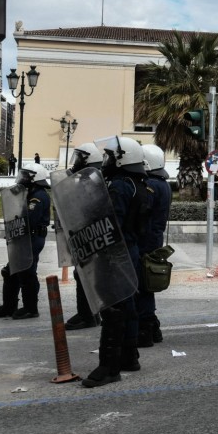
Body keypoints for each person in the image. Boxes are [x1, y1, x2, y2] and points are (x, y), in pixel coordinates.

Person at [81, 135, 153, 388]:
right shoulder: (140, 184)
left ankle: (109, 367)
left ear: (123, 159)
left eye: (110, 156)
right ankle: (128, 357)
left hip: (115, 251)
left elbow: (110, 221)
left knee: (113, 307)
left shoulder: (120, 186)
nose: (106, 160)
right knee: (128, 305)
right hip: (130, 249)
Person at [0, 162, 52, 319]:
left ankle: (31, 308)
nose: (22, 178)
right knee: (11, 271)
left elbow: (30, 219)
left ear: (34, 178)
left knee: (26, 271)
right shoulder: (28, 193)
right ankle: (9, 306)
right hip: (23, 236)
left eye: (25, 175)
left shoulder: (38, 196)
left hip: (33, 237)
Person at [64, 142, 105, 331]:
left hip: (93, 232)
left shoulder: (93, 178)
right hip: (85, 231)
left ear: (88, 158)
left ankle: (88, 315)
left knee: (86, 274)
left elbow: (92, 206)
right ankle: (90, 313)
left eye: (79, 157)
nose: (76, 161)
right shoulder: (87, 176)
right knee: (83, 274)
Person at [139, 144, 172, 347]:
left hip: (146, 240)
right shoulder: (163, 183)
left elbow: (143, 212)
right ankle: (152, 328)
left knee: (142, 287)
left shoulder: (151, 185)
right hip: (154, 238)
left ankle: (146, 330)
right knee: (146, 286)